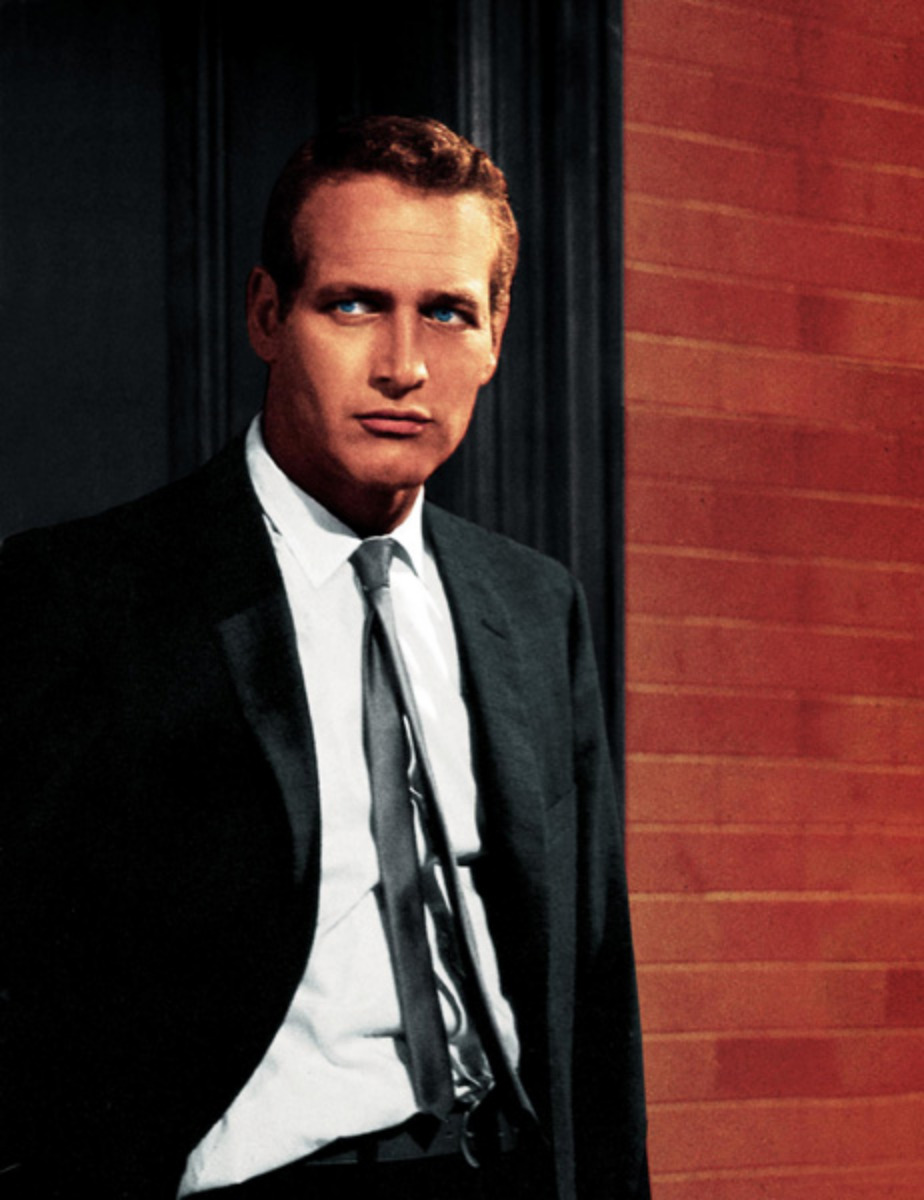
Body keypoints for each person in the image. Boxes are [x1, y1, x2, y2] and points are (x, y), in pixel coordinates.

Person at [0, 116, 648, 1199]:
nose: (404, 366)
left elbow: (593, 982)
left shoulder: (535, 606)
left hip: (502, 1165)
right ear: (268, 314)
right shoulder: (85, 596)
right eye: (353, 305)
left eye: (448, 312)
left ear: (495, 337)